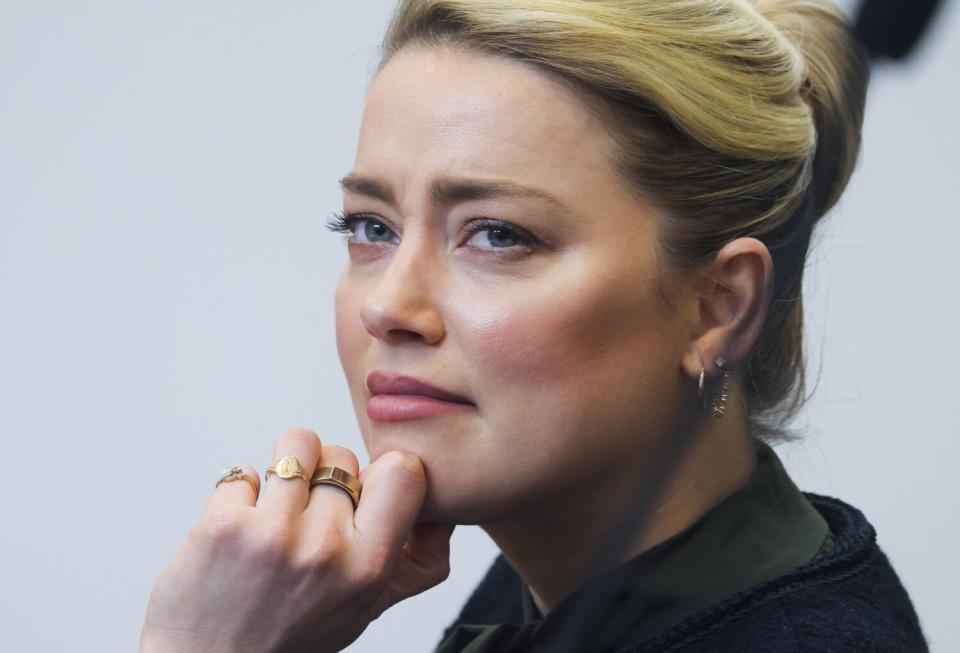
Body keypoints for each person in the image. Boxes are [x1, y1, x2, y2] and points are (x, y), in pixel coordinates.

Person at [139, 0, 929, 651]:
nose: (388, 306)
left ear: (718, 305)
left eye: (497, 234)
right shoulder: (555, 590)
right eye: (372, 227)